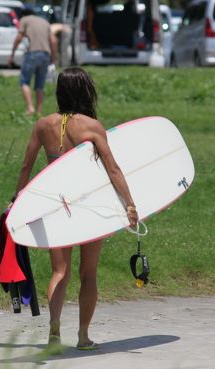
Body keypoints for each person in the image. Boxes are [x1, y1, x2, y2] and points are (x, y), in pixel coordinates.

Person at [10, 67, 138, 353]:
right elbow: (113, 169)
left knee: (60, 271)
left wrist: (17, 201)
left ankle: (54, 331)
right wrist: (130, 204)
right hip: (90, 207)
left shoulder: (43, 125)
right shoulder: (92, 126)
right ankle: (83, 335)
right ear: (85, 91)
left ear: (59, 92)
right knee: (88, 274)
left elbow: (26, 167)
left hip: (56, 206)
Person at [8, 8, 57, 115]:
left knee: (24, 81)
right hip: (45, 54)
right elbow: (53, 40)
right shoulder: (45, 22)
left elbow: (19, 37)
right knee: (40, 84)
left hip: (32, 53)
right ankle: (39, 111)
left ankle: (30, 108)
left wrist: (12, 54)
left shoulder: (24, 19)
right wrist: (53, 58)